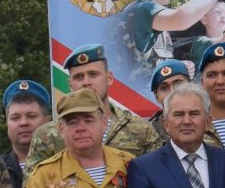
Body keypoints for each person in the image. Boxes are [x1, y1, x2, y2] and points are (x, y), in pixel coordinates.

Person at [26, 46, 164, 173]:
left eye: (93, 74)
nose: (86, 82)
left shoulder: (141, 130)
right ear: (70, 84)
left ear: (109, 78)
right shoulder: (47, 135)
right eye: (78, 77)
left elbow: (158, 183)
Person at [0, 79, 51, 188]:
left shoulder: (64, 164)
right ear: (7, 123)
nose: (23, 123)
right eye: (15, 118)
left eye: (31, 116)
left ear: (47, 122)